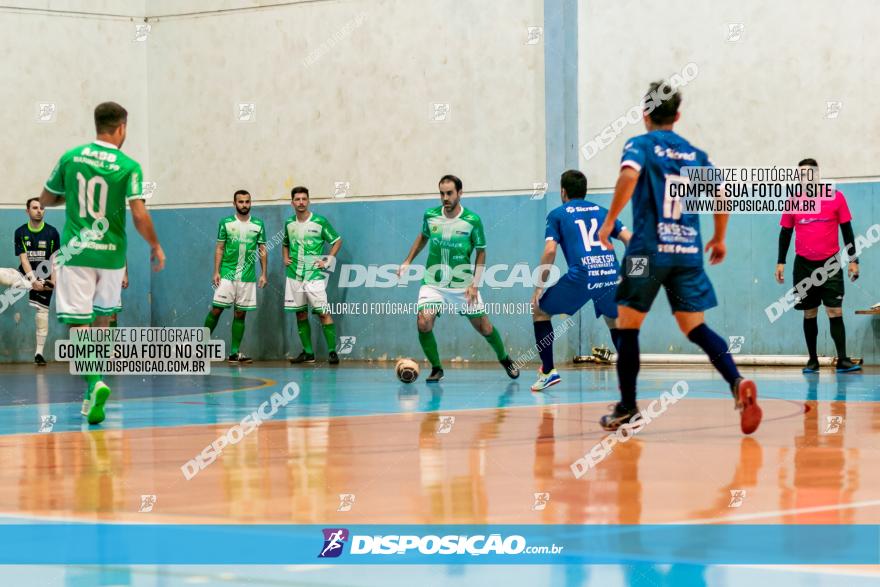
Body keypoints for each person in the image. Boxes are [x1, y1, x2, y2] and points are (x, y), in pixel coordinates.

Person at [596, 80, 762, 435]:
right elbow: (722, 194)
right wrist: (719, 239)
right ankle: (735, 381)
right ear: (678, 115)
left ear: (645, 115)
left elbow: (628, 174)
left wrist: (609, 221)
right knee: (695, 327)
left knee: (627, 326)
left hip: (646, 251)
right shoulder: (695, 153)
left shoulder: (639, 144)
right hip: (687, 252)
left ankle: (627, 408)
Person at [39, 101, 165, 425]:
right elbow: (138, 212)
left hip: (77, 254)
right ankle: (90, 393)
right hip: (112, 256)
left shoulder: (71, 157)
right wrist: (155, 244)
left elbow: (46, 198)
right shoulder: (128, 165)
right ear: (122, 127)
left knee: (77, 323)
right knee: (103, 320)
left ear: (97, 124)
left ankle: (94, 382)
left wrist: (68, 195)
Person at [398, 174, 519, 382]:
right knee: (423, 322)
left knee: (485, 327)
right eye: (442, 193)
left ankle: (504, 358)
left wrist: (475, 283)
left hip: (463, 285)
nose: (445, 198)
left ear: (460, 193)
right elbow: (423, 237)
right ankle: (437, 368)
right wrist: (407, 260)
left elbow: (481, 252)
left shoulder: (472, 221)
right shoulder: (430, 215)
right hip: (433, 283)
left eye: (449, 193)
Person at [530, 170, 631, 391]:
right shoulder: (605, 212)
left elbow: (549, 252)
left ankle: (548, 371)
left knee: (540, 311)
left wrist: (538, 286)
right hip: (609, 273)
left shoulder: (558, 214)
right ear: (584, 191)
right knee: (613, 320)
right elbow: (631, 240)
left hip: (583, 275)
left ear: (563, 192)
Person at [776, 158, 860, 373]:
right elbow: (785, 233)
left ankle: (842, 360)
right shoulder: (794, 201)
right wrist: (780, 262)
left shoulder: (836, 198)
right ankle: (812, 360)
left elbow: (847, 231)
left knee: (834, 310)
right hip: (803, 266)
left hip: (830, 264)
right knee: (810, 313)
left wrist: (853, 260)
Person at [203, 190, 267, 364]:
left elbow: (262, 250)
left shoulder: (258, 225)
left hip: (247, 277)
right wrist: (216, 271)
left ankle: (234, 353)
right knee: (216, 309)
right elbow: (219, 248)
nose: (244, 205)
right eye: (241, 202)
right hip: (227, 275)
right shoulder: (226, 223)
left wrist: (263, 274)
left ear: (250, 203)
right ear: (234, 204)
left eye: (247, 202)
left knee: (240, 314)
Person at [283, 186, 343, 365]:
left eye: (304, 199)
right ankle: (308, 353)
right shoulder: (288, 223)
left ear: (308, 201)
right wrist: (285, 257)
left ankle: (332, 352)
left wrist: (327, 260)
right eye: (297, 199)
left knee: (323, 313)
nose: (301, 202)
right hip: (294, 274)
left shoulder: (320, 221)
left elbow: (337, 240)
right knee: (300, 314)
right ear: (292, 202)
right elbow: (285, 242)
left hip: (314, 275)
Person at [0, 198, 60, 365]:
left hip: (44, 278)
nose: (39, 210)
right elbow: (24, 259)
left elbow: (55, 259)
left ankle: (38, 354)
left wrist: (53, 282)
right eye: (35, 208)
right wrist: (32, 280)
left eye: (41, 208)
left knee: (42, 315)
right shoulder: (20, 232)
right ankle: (20, 283)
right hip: (26, 275)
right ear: (27, 211)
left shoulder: (52, 232)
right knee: (3, 274)